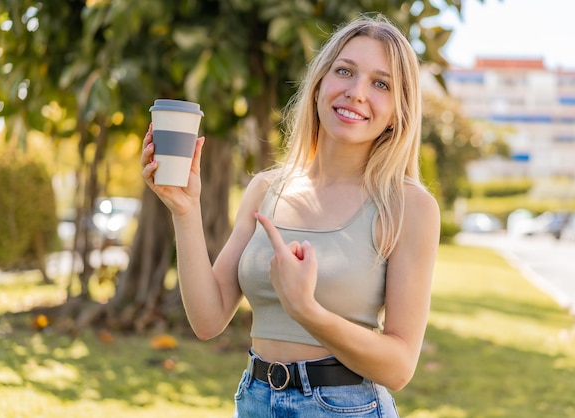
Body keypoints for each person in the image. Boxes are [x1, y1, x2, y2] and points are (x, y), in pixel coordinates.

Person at [141, 13, 440, 418]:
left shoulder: (408, 206)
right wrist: (185, 210)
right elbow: (208, 320)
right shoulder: (267, 188)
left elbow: (400, 367)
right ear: (319, 83)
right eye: (344, 71)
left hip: (344, 407)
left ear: (398, 111)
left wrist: (307, 311)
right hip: (255, 400)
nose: (356, 92)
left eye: (381, 84)